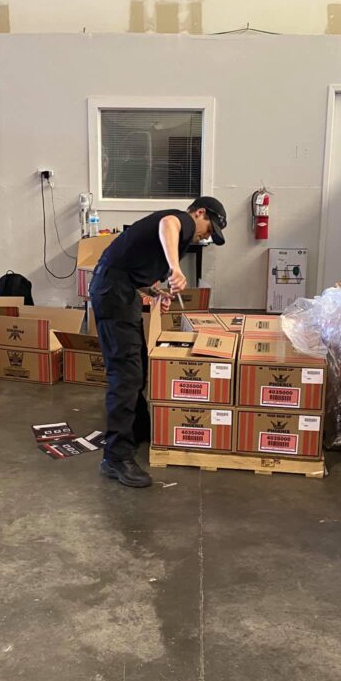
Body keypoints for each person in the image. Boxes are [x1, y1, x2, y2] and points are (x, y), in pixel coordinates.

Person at [90, 197, 227, 488]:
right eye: (208, 227)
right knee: (125, 375)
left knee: (137, 363)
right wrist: (176, 269)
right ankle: (116, 456)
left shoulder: (176, 235)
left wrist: (155, 292)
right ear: (199, 212)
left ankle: (137, 428)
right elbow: (169, 223)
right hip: (113, 293)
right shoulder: (180, 220)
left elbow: (132, 270)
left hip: (120, 290)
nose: (205, 235)